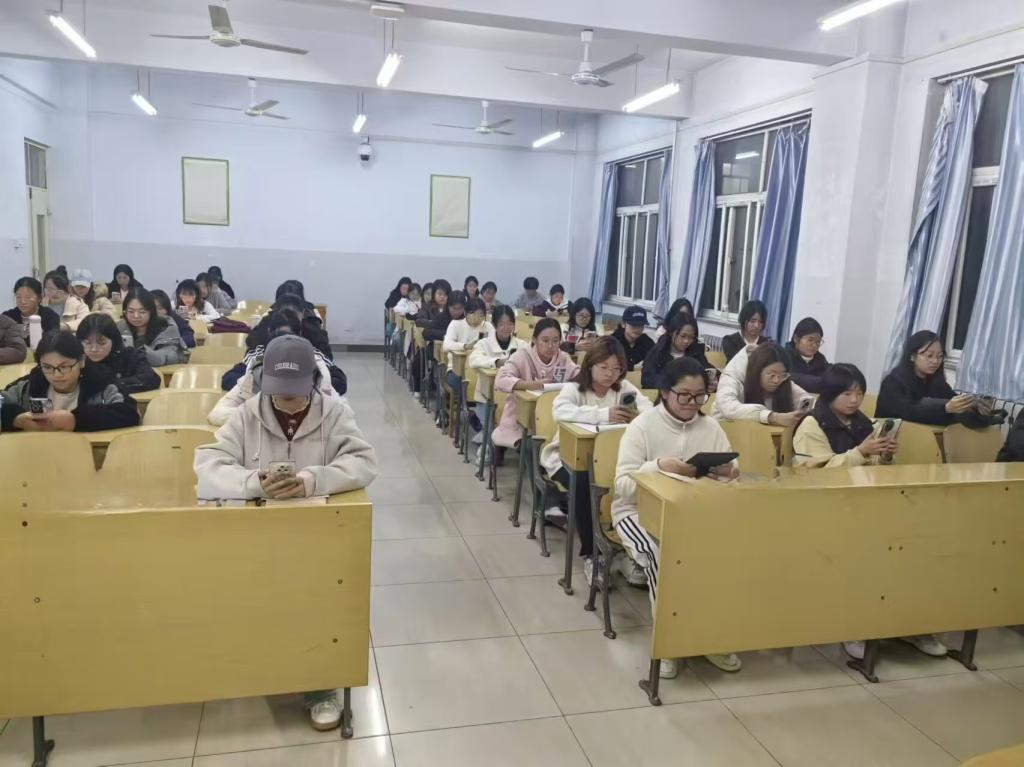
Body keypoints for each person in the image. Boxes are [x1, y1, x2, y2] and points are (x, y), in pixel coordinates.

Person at [194, 335, 377, 732]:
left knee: (319, 604)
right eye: (279, 393)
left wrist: (313, 480)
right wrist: (254, 482)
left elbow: (363, 461)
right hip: (258, 535)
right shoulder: (246, 414)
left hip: (317, 536)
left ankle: (320, 688)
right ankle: (265, 670)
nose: (288, 402)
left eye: (296, 394)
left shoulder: (334, 413)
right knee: (258, 601)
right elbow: (209, 465)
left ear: (314, 381)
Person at [610, 356, 742, 677]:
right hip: (637, 512)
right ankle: (668, 642)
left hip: (694, 513)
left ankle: (709, 637)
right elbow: (623, 485)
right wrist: (658, 467)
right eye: (684, 395)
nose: (693, 403)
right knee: (662, 556)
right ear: (666, 392)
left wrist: (729, 473)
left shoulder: (710, 427)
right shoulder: (642, 426)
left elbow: (732, 475)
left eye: (700, 396)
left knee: (725, 556)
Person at [540, 337, 652, 575]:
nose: (610, 374)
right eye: (604, 367)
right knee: (584, 483)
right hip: (566, 459)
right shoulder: (574, 389)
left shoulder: (624, 388)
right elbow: (560, 411)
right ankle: (591, 553)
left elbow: (650, 410)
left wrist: (636, 417)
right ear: (590, 365)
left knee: (634, 480)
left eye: (616, 368)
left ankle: (629, 548)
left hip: (612, 460)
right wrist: (603, 414)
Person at [209, 310, 338, 426]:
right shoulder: (255, 373)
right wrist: (267, 417)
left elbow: (340, 417)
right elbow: (217, 414)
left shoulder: (317, 373)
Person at [1, 329, 139, 432]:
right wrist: (13, 418)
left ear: (81, 361)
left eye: (64, 367)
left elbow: (129, 413)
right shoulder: (32, 383)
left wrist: (74, 420)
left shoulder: (101, 383)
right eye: (47, 367)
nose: (56, 375)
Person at [877, 330, 1000, 427]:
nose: (935, 361)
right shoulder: (893, 382)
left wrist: (973, 406)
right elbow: (908, 412)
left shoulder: (936, 383)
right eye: (929, 355)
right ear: (912, 356)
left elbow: (952, 399)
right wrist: (945, 408)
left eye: (940, 356)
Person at [493, 319, 578, 448]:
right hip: (521, 415)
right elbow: (501, 379)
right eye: (545, 341)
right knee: (529, 447)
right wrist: (533, 385)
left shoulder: (563, 358)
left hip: (552, 415)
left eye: (555, 341)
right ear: (534, 339)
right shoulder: (522, 355)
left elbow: (579, 375)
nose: (550, 346)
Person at [224, 302, 344, 393]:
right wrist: (265, 384)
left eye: (287, 337)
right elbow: (229, 379)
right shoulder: (259, 353)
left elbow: (339, 381)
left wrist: (305, 385)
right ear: (270, 334)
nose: (283, 342)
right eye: (278, 337)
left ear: (297, 335)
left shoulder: (311, 353)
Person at [793, 363, 896, 468]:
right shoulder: (811, 425)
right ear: (830, 394)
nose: (854, 400)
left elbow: (874, 466)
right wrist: (860, 452)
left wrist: (885, 455)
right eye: (847, 394)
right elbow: (819, 469)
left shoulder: (866, 423)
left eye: (859, 394)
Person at [712, 342, 810, 426]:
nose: (776, 380)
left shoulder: (782, 380)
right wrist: (773, 417)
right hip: (726, 433)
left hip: (761, 436)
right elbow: (729, 408)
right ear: (757, 370)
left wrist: (802, 411)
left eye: (783, 375)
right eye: (771, 375)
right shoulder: (732, 377)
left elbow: (804, 397)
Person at [76, 313, 160, 393]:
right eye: (87, 343)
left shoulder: (130, 356)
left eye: (101, 343)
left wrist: (110, 385)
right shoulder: (75, 362)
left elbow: (151, 379)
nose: (94, 349)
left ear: (114, 340)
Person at [641, 312, 713, 390]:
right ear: (671, 333)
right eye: (683, 336)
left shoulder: (695, 351)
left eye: (691, 337)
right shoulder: (658, 351)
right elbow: (647, 379)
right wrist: (672, 383)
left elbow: (707, 369)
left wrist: (711, 381)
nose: (686, 341)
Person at [118, 288, 187, 366]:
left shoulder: (166, 326)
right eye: (131, 311)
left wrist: (147, 354)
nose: (136, 316)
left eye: (142, 312)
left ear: (151, 311)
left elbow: (171, 355)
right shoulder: (119, 328)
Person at [4, 277, 60, 349]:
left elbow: (53, 341)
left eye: (28, 297)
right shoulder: (8, 317)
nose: (23, 301)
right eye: (18, 297)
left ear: (39, 298)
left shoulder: (50, 316)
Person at [787, 317, 829, 394]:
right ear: (796, 339)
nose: (814, 345)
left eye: (818, 342)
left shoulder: (820, 359)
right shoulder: (784, 356)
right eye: (810, 340)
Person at [611, 306, 655, 371]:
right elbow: (610, 365)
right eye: (634, 325)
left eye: (640, 325)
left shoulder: (647, 342)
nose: (637, 329)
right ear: (623, 324)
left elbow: (656, 361)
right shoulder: (612, 342)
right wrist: (633, 367)